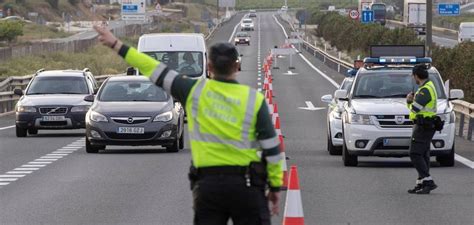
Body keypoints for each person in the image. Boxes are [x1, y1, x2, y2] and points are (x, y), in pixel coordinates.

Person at [94, 26, 283, 225]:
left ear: (209, 67)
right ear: (237, 66)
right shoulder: (254, 100)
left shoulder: (193, 91)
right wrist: (276, 186)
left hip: (208, 187)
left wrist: (116, 44)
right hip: (247, 185)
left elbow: (153, 68)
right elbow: (272, 148)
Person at [406, 64, 438, 195]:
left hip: (423, 126)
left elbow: (415, 109)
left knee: (414, 153)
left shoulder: (425, 90)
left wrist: (409, 101)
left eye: (413, 76)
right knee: (423, 155)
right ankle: (421, 183)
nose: (413, 78)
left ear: (416, 76)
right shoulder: (428, 87)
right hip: (426, 125)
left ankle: (428, 181)